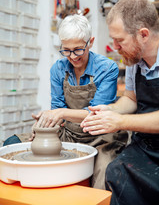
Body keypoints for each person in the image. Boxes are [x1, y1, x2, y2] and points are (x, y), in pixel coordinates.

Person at [3, 14, 128, 189]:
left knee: (103, 174)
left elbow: (97, 114)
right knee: (12, 144)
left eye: (78, 49)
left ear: (90, 42)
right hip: (68, 133)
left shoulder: (107, 68)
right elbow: (57, 109)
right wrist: (45, 123)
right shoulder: (58, 69)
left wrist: (59, 113)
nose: (72, 56)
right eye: (66, 50)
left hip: (101, 136)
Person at [80, 0, 159, 204]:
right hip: (146, 145)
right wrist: (110, 110)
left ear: (143, 34)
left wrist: (120, 122)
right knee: (116, 170)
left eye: (120, 40)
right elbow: (131, 100)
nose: (114, 46)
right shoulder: (135, 61)